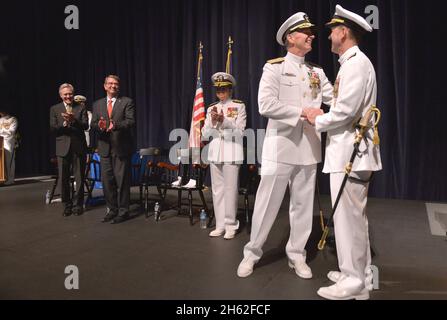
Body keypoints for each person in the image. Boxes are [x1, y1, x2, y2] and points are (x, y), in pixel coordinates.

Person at [237, 12, 333, 278]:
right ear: (290, 38)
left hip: (309, 147)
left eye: (312, 32)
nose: (312, 35)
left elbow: (334, 97)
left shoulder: (317, 72)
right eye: (306, 32)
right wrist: (304, 112)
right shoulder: (274, 67)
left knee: (303, 206)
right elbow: (265, 105)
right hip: (280, 147)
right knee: (267, 204)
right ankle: (251, 253)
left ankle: (297, 255)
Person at [306, 5, 382, 300]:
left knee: (349, 218)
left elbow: (346, 112)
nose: (328, 37)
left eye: (331, 32)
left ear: (344, 32)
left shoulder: (354, 65)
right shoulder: (353, 63)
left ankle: (352, 282)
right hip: (352, 151)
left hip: (350, 153)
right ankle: (359, 274)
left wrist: (317, 118)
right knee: (353, 216)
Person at [202, 72, 247, 240]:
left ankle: (230, 224)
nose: (221, 93)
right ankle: (220, 224)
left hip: (232, 151)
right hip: (215, 152)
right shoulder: (210, 108)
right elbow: (206, 134)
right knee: (217, 191)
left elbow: (240, 132)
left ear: (230, 90)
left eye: (224, 90)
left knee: (230, 190)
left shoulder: (238, 106)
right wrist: (213, 122)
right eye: (218, 90)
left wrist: (224, 121)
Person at [91, 75, 136, 224]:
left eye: (116, 84)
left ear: (119, 86)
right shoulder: (97, 104)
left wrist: (115, 125)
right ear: (104, 86)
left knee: (122, 181)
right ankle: (112, 210)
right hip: (104, 148)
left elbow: (130, 121)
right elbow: (93, 124)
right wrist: (100, 126)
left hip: (121, 148)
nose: (113, 86)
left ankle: (123, 211)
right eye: (110, 83)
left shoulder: (127, 102)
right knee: (107, 182)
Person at [49, 83, 89, 216]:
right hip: (62, 147)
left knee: (80, 177)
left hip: (78, 147)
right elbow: (53, 129)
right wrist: (65, 124)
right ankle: (67, 205)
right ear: (61, 95)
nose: (68, 96)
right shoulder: (55, 109)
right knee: (63, 178)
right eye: (65, 94)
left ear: (73, 94)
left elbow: (85, 126)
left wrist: (73, 120)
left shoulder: (81, 108)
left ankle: (78, 205)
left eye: (70, 94)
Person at [0, 111, 18, 185]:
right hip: (1, 142)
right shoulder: (0, 120)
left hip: (9, 142)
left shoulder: (13, 119)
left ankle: (10, 179)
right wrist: (4, 131)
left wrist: (2, 131)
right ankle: (4, 178)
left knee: (9, 161)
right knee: (2, 161)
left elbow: (11, 131)